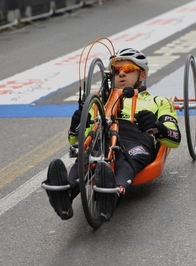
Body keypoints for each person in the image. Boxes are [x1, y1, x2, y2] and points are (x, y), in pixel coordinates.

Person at [43, 48, 181, 221]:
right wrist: (76, 127)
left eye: (129, 69)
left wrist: (158, 127)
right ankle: (65, 192)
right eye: (116, 70)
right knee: (87, 155)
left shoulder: (158, 101)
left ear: (142, 75)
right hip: (103, 137)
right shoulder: (100, 102)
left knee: (127, 157)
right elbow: (76, 140)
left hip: (136, 140)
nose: (121, 74)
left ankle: (112, 195)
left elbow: (175, 139)